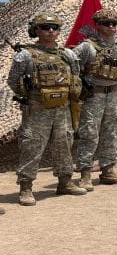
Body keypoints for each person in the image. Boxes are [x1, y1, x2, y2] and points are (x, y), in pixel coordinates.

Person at [7, 13, 86, 204]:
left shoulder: (68, 55)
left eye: (54, 27)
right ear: (36, 30)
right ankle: (26, 188)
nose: (50, 31)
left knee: (64, 145)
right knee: (31, 146)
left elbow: (75, 78)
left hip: (62, 109)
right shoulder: (25, 55)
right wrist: (31, 95)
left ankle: (65, 182)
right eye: (45, 27)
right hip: (37, 110)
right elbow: (13, 81)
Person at [72, 8, 117, 189]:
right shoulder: (86, 47)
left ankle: (108, 170)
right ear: (97, 25)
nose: (111, 27)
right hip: (93, 96)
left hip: (114, 95)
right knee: (89, 134)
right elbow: (72, 68)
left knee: (111, 133)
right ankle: (85, 174)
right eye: (106, 23)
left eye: (114, 24)